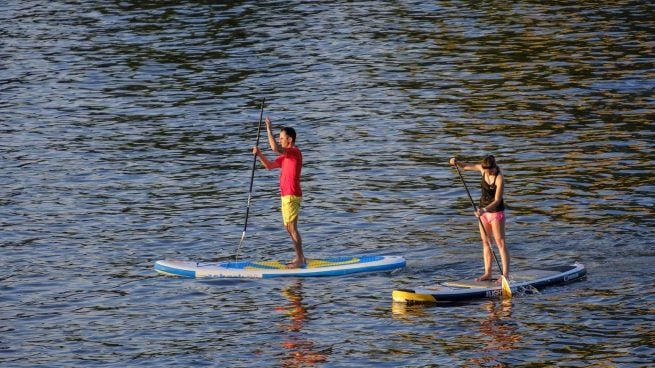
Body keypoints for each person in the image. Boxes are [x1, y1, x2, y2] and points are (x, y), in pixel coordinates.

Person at [253, 117, 305, 268]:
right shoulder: (285, 156)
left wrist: (268, 129)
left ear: (289, 139)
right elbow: (269, 166)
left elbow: (275, 148)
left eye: (282, 138)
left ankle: (300, 259)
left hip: (292, 194)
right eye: (279, 138)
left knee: (292, 227)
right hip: (285, 195)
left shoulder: (294, 152)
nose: (280, 140)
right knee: (288, 227)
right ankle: (300, 257)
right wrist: (259, 154)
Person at [449, 155, 509, 282]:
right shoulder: (482, 169)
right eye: (486, 170)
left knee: (500, 243)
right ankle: (488, 273)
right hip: (483, 213)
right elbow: (465, 166)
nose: (488, 172)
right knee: (486, 242)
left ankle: (505, 275)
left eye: (490, 170)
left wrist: (484, 210)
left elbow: (498, 200)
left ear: (494, 167)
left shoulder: (499, 178)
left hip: (495, 212)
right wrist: (456, 162)